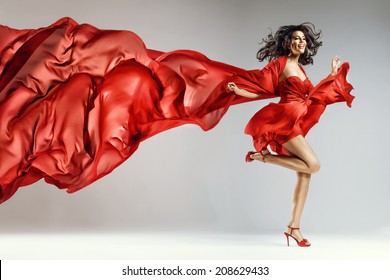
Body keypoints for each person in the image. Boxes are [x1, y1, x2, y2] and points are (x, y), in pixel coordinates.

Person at [226, 23, 353, 247]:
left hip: (295, 120)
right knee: (313, 165)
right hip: (283, 121)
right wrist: (238, 91)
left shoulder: (301, 70)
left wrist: (331, 76)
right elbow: (260, 88)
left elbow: (313, 95)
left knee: (305, 173)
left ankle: (293, 228)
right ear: (288, 43)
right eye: (296, 38)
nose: (300, 42)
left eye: (303, 39)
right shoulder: (280, 64)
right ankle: (264, 157)